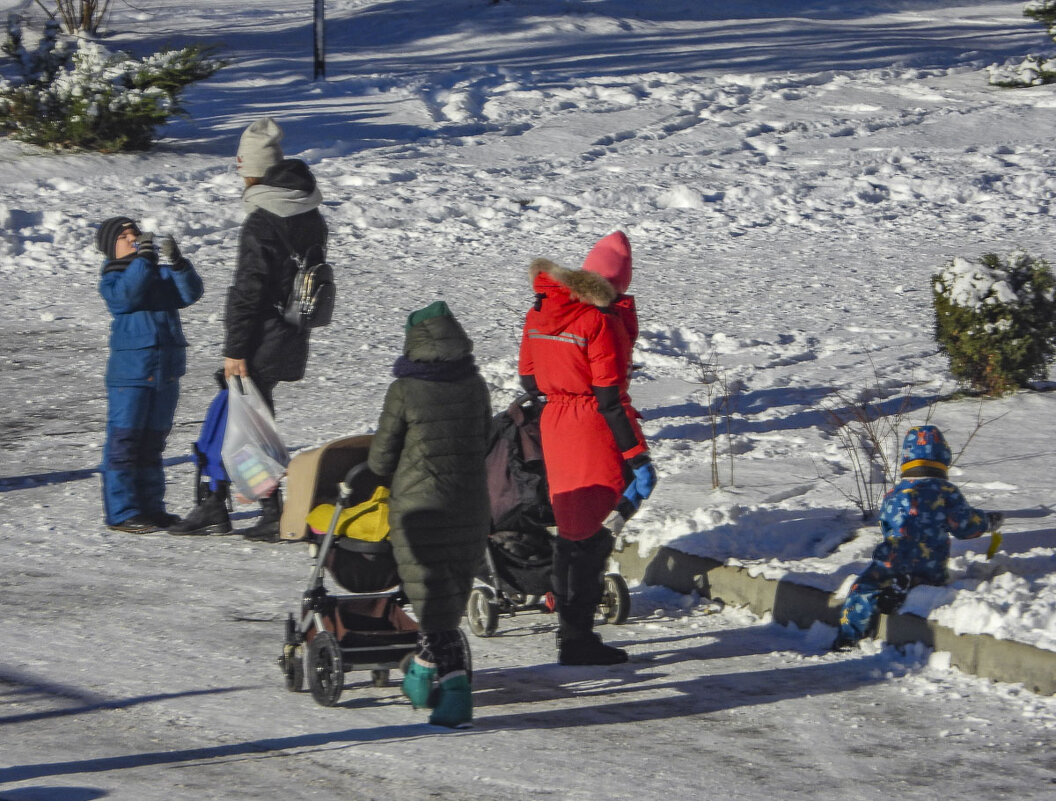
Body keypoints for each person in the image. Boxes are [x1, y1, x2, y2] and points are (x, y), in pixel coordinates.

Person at [170, 117, 328, 541]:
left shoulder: (263, 220)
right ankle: (236, 501)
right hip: (293, 331)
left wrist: (235, 349)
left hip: (261, 336)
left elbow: (248, 292)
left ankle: (237, 503)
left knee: (239, 421)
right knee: (249, 418)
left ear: (253, 172)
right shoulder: (308, 213)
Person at [519, 257, 657, 666]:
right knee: (594, 536)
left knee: (570, 534)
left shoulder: (540, 310)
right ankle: (578, 638)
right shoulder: (598, 321)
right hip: (592, 429)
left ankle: (570, 628)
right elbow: (610, 397)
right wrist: (636, 454)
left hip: (556, 426)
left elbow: (528, 379)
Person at [366, 301, 491, 729]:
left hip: (420, 510)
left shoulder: (405, 389)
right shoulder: (475, 383)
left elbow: (381, 460)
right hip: (471, 507)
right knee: (443, 605)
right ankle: (419, 676)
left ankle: (454, 696)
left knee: (435, 611)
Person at [832, 424, 1002, 650]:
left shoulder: (894, 493)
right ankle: (905, 587)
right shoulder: (946, 492)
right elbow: (964, 525)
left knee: (861, 588)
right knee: (925, 576)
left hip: (891, 561)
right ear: (943, 456)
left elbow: (886, 526)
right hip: (930, 563)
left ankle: (850, 636)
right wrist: (987, 521)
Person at [97, 217, 204, 533]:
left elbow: (189, 294)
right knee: (124, 443)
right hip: (131, 375)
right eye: (124, 235)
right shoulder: (112, 277)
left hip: (165, 373)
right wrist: (143, 260)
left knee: (152, 444)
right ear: (109, 246)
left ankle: (152, 508)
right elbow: (126, 297)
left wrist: (179, 262)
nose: (133, 237)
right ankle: (122, 512)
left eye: (135, 232)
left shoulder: (158, 274)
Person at [580, 231, 648, 529]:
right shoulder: (603, 321)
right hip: (600, 414)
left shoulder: (608, 312)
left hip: (595, 410)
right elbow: (609, 392)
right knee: (625, 477)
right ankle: (603, 534)